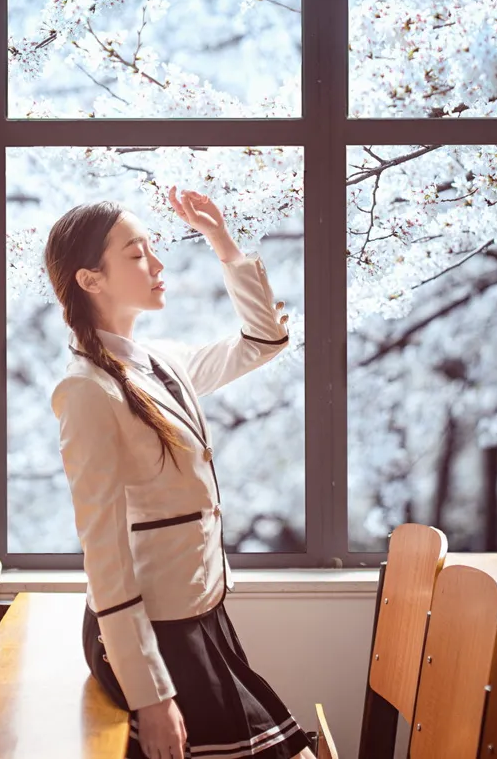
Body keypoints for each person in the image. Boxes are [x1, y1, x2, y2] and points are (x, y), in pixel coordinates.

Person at [46, 188, 314, 759]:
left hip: (198, 613)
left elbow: (265, 339)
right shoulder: (85, 390)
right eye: (137, 254)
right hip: (153, 635)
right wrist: (150, 695)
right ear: (90, 279)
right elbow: (104, 550)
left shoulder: (162, 362)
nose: (159, 264)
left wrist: (224, 244)